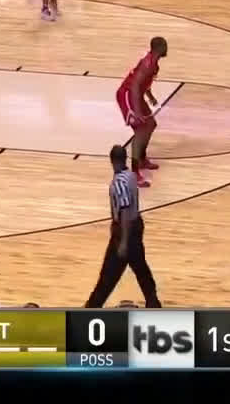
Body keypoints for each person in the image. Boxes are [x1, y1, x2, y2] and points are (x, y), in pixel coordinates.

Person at [83, 145, 162, 308]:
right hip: (136, 224)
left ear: (112, 161)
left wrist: (124, 241)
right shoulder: (131, 176)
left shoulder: (118, 183)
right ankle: (153, 302)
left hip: (125, 231)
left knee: (109, 274)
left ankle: (92, 306)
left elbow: (124, 211)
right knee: (140, 268)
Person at [115, 36, 167, 187]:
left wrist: (150, 97)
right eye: (164, 46)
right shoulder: (147, 64)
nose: (166, 49)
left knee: (150, 124)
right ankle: (134, 173)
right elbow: (135, 86)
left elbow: (144, 83)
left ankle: (142, 159)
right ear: (159, 48)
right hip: (127, 95)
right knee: (140, 131)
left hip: (136, 95)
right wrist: (137, 111)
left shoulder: (154, 64)